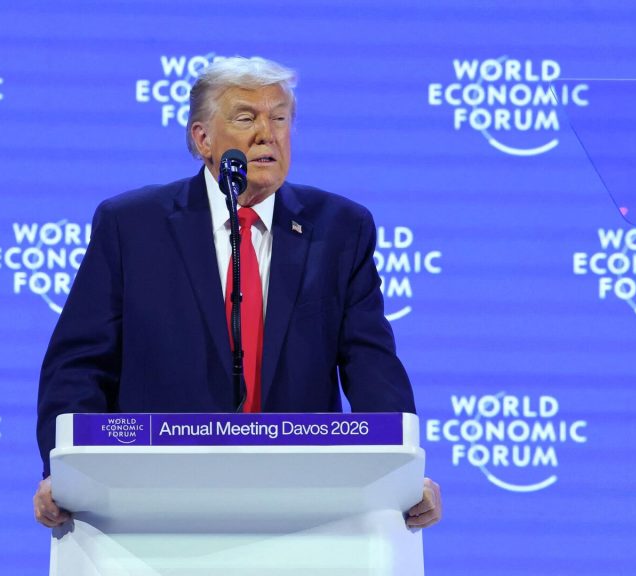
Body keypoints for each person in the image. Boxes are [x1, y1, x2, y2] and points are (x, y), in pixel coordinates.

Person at [33, 56, 441, 530]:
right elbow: (79, 365)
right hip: (153, 501)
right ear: (203, 139)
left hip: (301, 504)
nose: (267, 134)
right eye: (246, 118)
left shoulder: (340, 229)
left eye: (280, 118)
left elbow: (371, 366)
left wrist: (402, 474)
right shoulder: (132, 226)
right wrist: (65, 473)